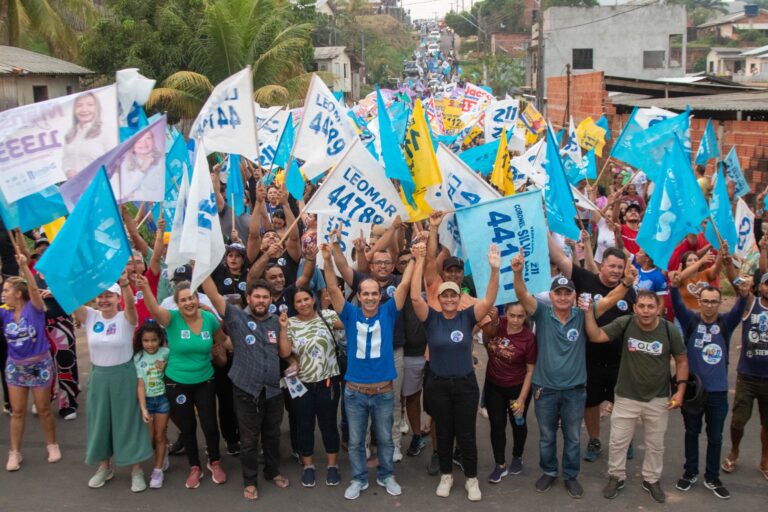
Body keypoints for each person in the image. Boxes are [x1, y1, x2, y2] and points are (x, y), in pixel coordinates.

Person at [512, 250, 624, 498]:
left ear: (575, 296)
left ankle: (570, 476)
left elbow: (609, 300)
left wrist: (626, 282)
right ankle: (550, 471)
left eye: (567, 293)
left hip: (575, 390)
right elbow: (520, 294)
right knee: (547, 436)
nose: (562, 297)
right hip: (545, 388)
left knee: (573, 437)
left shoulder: (583, 316)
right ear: (550, 296)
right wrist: (517, 273)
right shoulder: (541, 313)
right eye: (558, 293)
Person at [320, 241, 414, 500]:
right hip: (355, 393)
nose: (371, 297)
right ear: (359, 296)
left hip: (384, 392)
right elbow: (332, 288)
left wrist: (415, 259)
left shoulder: (389, 312)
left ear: (380, 296)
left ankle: (386, 475)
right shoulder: (349, 314)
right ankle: (359, 479)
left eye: (375, 293)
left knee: (385, 440)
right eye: (366, 293)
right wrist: (327, 260)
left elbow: (404, 286)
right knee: (355, 442)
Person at [410, 242, 499, 501]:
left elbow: (490, 300)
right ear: (439, 298)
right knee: (444, 433)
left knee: (467, 434)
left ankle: (471, 480)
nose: (449, 299)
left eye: (453, 295)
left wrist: (495, 270)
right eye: (445, 295)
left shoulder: (468, 316)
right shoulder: (431, 318)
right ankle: (446, 476)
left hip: (465, 385)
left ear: (459, 297)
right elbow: (415, 297)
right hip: (437, 384)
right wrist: (417, 261)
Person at [584, 291, 689, 504]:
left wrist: (680, 391)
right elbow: (596, 336)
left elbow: (681, 361)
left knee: (655, 444)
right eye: (641, 306)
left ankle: (651, 480)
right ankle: (616, 476)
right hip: (626, 396)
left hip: (658, 398)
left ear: (658, 308)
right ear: (635, 308)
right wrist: (588, 313)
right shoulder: (625, 323)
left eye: (650, 306)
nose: (646, 311)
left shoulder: (669, 330)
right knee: (618, 442)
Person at [201, 276, 293, 502]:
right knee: (249, 439)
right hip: (246, 390)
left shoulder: (275, 321)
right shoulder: (236, 317)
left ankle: (272, 471)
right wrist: (202, 269)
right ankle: (250, 481)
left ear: (271, 299)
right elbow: (213, 295)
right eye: (257, 296)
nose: (261, 301)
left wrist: (283, 329)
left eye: (265, 297)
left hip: (272, 389)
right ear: (248, 298)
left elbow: (284, 353)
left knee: (272, 435)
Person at [549, 238, 637, 464]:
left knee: (623, 403)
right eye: (612, 266)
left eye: (620, 267)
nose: (616, 271)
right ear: (602, 264)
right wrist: (541, 220)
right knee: (591, 403)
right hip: (589, 358)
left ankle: (624, 440)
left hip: (621, 360)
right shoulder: (584, 279)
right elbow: (559, 256)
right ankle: (595, 440)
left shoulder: (630, 292)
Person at [138, 275, 228, 489]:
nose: (188, 303)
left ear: (197, 299)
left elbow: (224, 341)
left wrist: (247, 343)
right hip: (177, 382)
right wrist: (145, 288)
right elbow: (154, 311)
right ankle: (194, 467)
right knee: (187, 427)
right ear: (177, 303)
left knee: (209, 425)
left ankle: (214, 461)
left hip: (205, 380)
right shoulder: (172, 319)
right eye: (183, 300)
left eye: (191, 298)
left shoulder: (209, 319)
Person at [670, 272, 750, 499]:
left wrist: (743, 294)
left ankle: (712, 477)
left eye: (714, 301)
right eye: (705, 301)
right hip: (694, 392)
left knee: (715, 437)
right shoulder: (690, 321)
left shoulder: (726, 323)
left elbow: (739, 306)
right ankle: (690, 471)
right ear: (699, 302)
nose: (709, 305)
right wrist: (675, 287)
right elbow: (676, 305)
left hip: (718, 392)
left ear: (719, 303)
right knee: (691, 432)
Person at [73, 277, 153, 491]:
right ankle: (104, 467)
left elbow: (131, 308)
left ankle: (136, 470)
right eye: (100, 296)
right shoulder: (90, 315)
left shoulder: (126, 317)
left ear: (118, 298)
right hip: (99, 375)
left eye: (109, 295)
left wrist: (126, 285)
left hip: (124, 375)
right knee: (101, 422)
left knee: (128, 421)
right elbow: (70, 299)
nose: (104, 300)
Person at [2, 254, 60, 471]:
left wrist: (25, 267)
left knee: (44, 409)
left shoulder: (35, 309)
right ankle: (14, 452)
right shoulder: (4, 313)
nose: (3, 293)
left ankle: (52, 444)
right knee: (17, 411)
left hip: (39, 366)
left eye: (6, 290)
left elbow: (34, 291)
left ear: (18, 293)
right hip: (15, 366)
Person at [286, 287, 344, 488]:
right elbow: (284, 351)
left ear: (313, 299)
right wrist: (292, 360)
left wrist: (336, 299)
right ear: (294, 305)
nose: (303, 304)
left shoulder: (327, 316)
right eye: (298, 301)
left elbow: (350, 323)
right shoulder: (290, 324)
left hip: (327, 381)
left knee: (328, 424)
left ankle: (332, 465)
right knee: (304, 425)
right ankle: (308, 466)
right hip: (301, 384)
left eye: (306, 299)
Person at [481, 302, 536, 482]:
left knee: (518, 424)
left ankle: (517, 456)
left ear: (526, 317)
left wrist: (521, 398)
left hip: (516, 388)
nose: (515, 320)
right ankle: (500, 465)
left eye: (520, 316)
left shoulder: (528, 338)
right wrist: (494, 320)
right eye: (512, 315)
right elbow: (485, 339)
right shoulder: (499, 323)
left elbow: (530, 370)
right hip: (493, 386)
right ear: (507, 312)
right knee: (497, 425)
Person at [721, 272, 768, 481]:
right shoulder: (751, 304)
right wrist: (728, 261)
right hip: (747, 376)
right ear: (760, 287)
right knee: (738, 421)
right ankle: (734, 451)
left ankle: (765, 460)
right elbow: (735, 281)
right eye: (767, 284)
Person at [62, 91, 110, 178]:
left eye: (90, 104)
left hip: (97, 187)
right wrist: (68, 170)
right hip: (75, 188)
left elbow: (113, 162)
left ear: (96, 108)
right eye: (79, 105)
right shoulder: (70, 133)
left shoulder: (106, 131)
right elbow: (66, 159)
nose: (84, 109)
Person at [113, 128, 164, 202]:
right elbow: (125, 191)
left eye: (148, 138)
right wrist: (142, 169)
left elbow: (161, 190)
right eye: (138, 140)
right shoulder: (125, 165)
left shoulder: (161, 161)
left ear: (153, 140)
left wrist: (137, 194)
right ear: (132, 145)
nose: (144, 143)